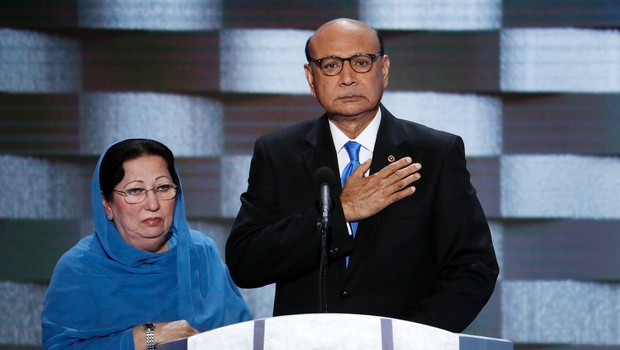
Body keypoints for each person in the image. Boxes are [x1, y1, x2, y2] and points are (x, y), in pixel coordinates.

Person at [225, 18, 499, 333]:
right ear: (310, 77)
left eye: (360, 62)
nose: (347, 78)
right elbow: (246, 263)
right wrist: (339, 214)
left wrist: (407, 339)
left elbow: (473, 268)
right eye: (330, 65)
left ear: (383, 69)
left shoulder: (435, 153)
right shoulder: (277, 153)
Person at [41, 138, 252, 349]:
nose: (153, 204)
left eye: (162, 187)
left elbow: (243, 336)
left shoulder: (200, 252)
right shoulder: (79, 268)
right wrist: (146, 335)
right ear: (107, 205)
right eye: (135, 191)